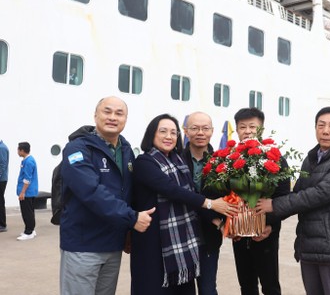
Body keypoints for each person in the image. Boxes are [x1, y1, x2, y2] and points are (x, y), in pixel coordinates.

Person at [256, 106, 330, 295]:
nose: (325, 131)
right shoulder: (311, 159)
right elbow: (297, 194)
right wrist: (269, 222)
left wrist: (274, 205)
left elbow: (320, 193)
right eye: (321, 125)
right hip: (309, 247)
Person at [130, 113, 237, 295]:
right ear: (151, 134)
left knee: (202, 289)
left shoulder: (178, 161)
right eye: (163, 131)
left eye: (173, 132)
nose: (169, 136)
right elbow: (171, 189)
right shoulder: (144, 162)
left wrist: (219, 221)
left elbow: (192, 195)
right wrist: (210, 204)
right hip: (156, 240)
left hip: (188, 242)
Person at [59, 96, 155, 295]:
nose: (113, 117)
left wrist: (128, 229)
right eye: (107, 111)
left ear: (125, 119)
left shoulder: (126, 151)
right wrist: (132, 218)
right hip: (83, 245)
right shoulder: (77, 149)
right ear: (96, 115)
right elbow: (90, 192)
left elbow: (128, 192)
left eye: (119, 113)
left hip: (113, 245)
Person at [231, 107, 290, 295]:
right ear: (237, 130)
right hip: (239, 234)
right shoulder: (229, 158)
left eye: (252, 127)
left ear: (261, 129)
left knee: (270, 286)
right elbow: (221, 194)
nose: (247, 131)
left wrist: (271, 225)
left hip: (266, 233)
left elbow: (283, 198)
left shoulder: (276, 158)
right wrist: (229, 224)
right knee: (246, 286)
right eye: (242, 127)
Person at [181, 111, 225, 295]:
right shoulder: (175, 160)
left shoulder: (223, 162)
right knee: (182, 289)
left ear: (212, 131)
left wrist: (222, 222)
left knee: (208, 289)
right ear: (185, 131)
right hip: (180, 235)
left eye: (205, 128)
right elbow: (178, 197)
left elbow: (227, 198)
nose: (200, 132)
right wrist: (213, 216)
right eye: (194, 128)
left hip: (209, 237)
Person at [16, 142, 38, 241]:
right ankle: (31, 230)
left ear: (22, 150)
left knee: (26, 212)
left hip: (27, 192)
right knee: (30, 211)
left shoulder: (28, 162)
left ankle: (28, 231)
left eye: (18, 149)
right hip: (29, 191)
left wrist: (22, 192)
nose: (17, 151)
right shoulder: (26, 160)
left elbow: (27, 179)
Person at [0, 139, 8, 232]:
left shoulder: (2, 148)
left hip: (1, 180)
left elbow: (2, 165)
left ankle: (2, 224)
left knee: (0, 202)